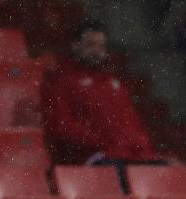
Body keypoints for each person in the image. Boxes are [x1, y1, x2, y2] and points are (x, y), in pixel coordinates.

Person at [42, 20, 162, 184]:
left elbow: (133, 123)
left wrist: (142, 147)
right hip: (93, 157)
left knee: (168, 173)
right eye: (91, 45)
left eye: (101, 47)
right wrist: (102, 142)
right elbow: (63, 127)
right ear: (75, 46)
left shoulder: (113, 83)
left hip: (126, 155)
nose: (97, 52)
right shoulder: (61, 82)